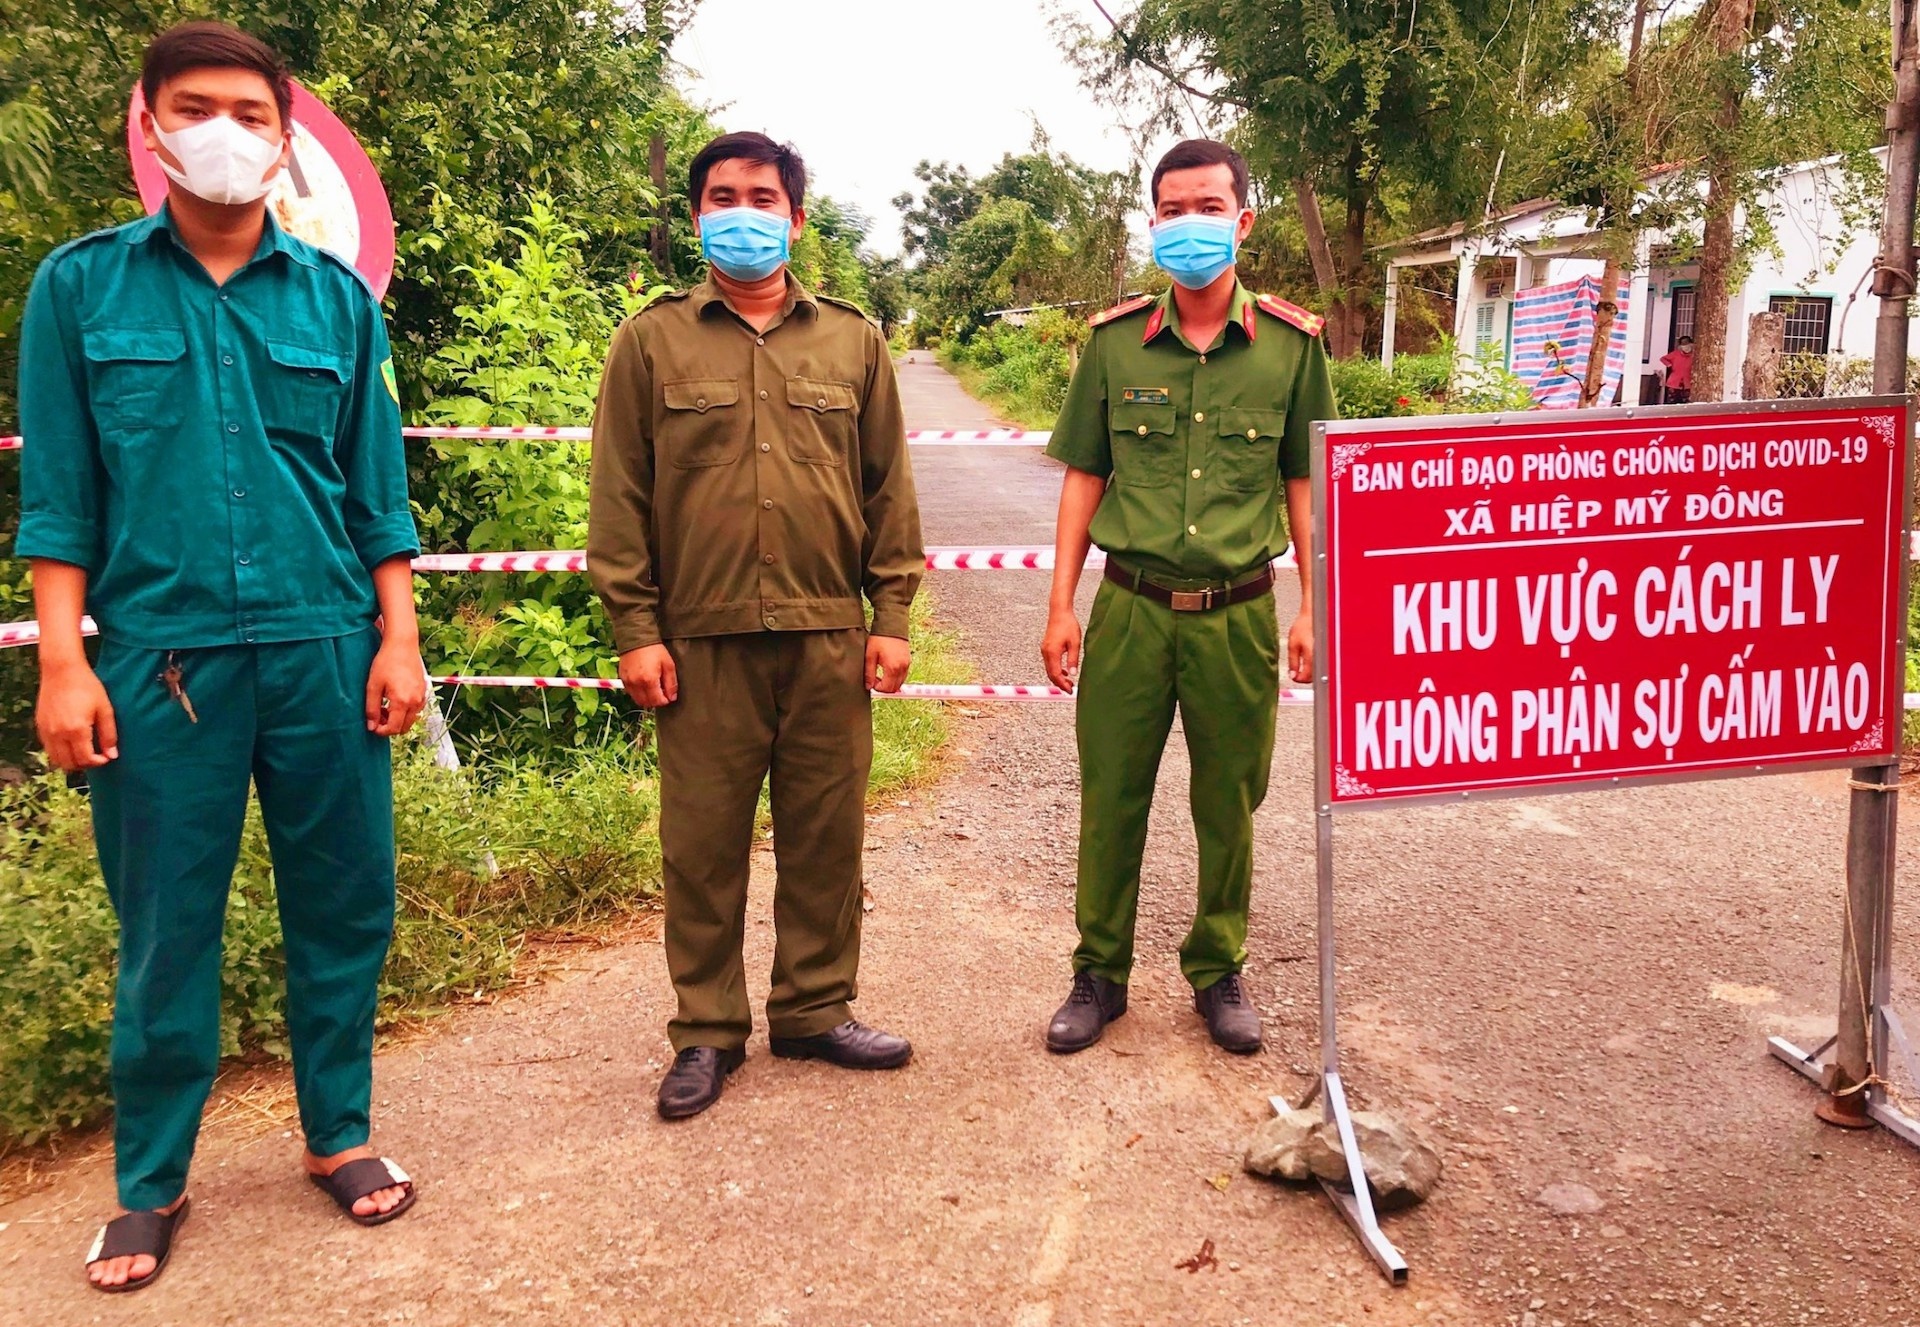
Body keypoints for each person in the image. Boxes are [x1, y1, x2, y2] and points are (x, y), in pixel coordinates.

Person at [17, 22, 425, 1292]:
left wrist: (397, 638)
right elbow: (61, 499)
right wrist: (62, 664)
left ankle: (337, 1133)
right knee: (164, 926)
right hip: (159, 659)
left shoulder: (333, 302)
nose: (226, 132)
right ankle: (152, 1181)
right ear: (148, 127)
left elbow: (377, 494)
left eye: (252, 113)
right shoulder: (80, 290)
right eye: (197, 107)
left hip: (323, 647)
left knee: (345, 906)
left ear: (286, 140)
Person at [588, 131, 924, 1120]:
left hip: (826, 634)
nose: (745, 211)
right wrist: (634, 627)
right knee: (702, 845)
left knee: (827, 837)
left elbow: (887, 490)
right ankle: (705, 1031)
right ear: (698, 217)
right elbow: (619, 497)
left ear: (796, 217)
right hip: (699, 641)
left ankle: (816, 1008)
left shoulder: (853, 342)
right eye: (724, 196)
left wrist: (892, 610)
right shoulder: (649, 343)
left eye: (764, 196)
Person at [1039, 139, 1335, 1057]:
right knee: (1112, 793)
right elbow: (1084, 478)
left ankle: (1218, 969)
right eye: (1174, 210)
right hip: (1129, 609)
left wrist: (1313, 607)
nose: (1191, 225)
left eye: (1210, 208)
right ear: (1153, 224)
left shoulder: (1291, 346)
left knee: (1230, 801)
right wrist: (1061, 606)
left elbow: (1306, 486)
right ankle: (1100, 974)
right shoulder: (1114, 341)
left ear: (1244, 221)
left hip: (1239, 614)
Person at [1661, 334, 1695, 403]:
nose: (1686, 348)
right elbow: (1663, 359)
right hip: (1674, 383)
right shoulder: (1675, 354)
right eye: (1684, 346)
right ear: (1680, 347)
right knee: (1672, 403)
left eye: (1688, 346)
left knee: (1686, 403)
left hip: (1687, 384)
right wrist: (1669, 365)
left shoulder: (1694, 356)